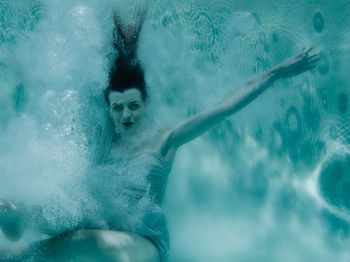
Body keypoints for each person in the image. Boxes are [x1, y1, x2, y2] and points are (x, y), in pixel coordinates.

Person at [0, 9, 320, 262]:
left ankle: (16, 258)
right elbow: (51, 84)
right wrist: (12, 63)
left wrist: (276, 72)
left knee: (80, 239)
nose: (127, 115)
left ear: (145, 102)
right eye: (119, 108)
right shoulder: (103, 139)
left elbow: (224, 108)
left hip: (145, 246)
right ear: (109, 109)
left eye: (134, 106)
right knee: (15, 210)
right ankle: (14, 228)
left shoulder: (165, 138)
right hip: (104, 230)